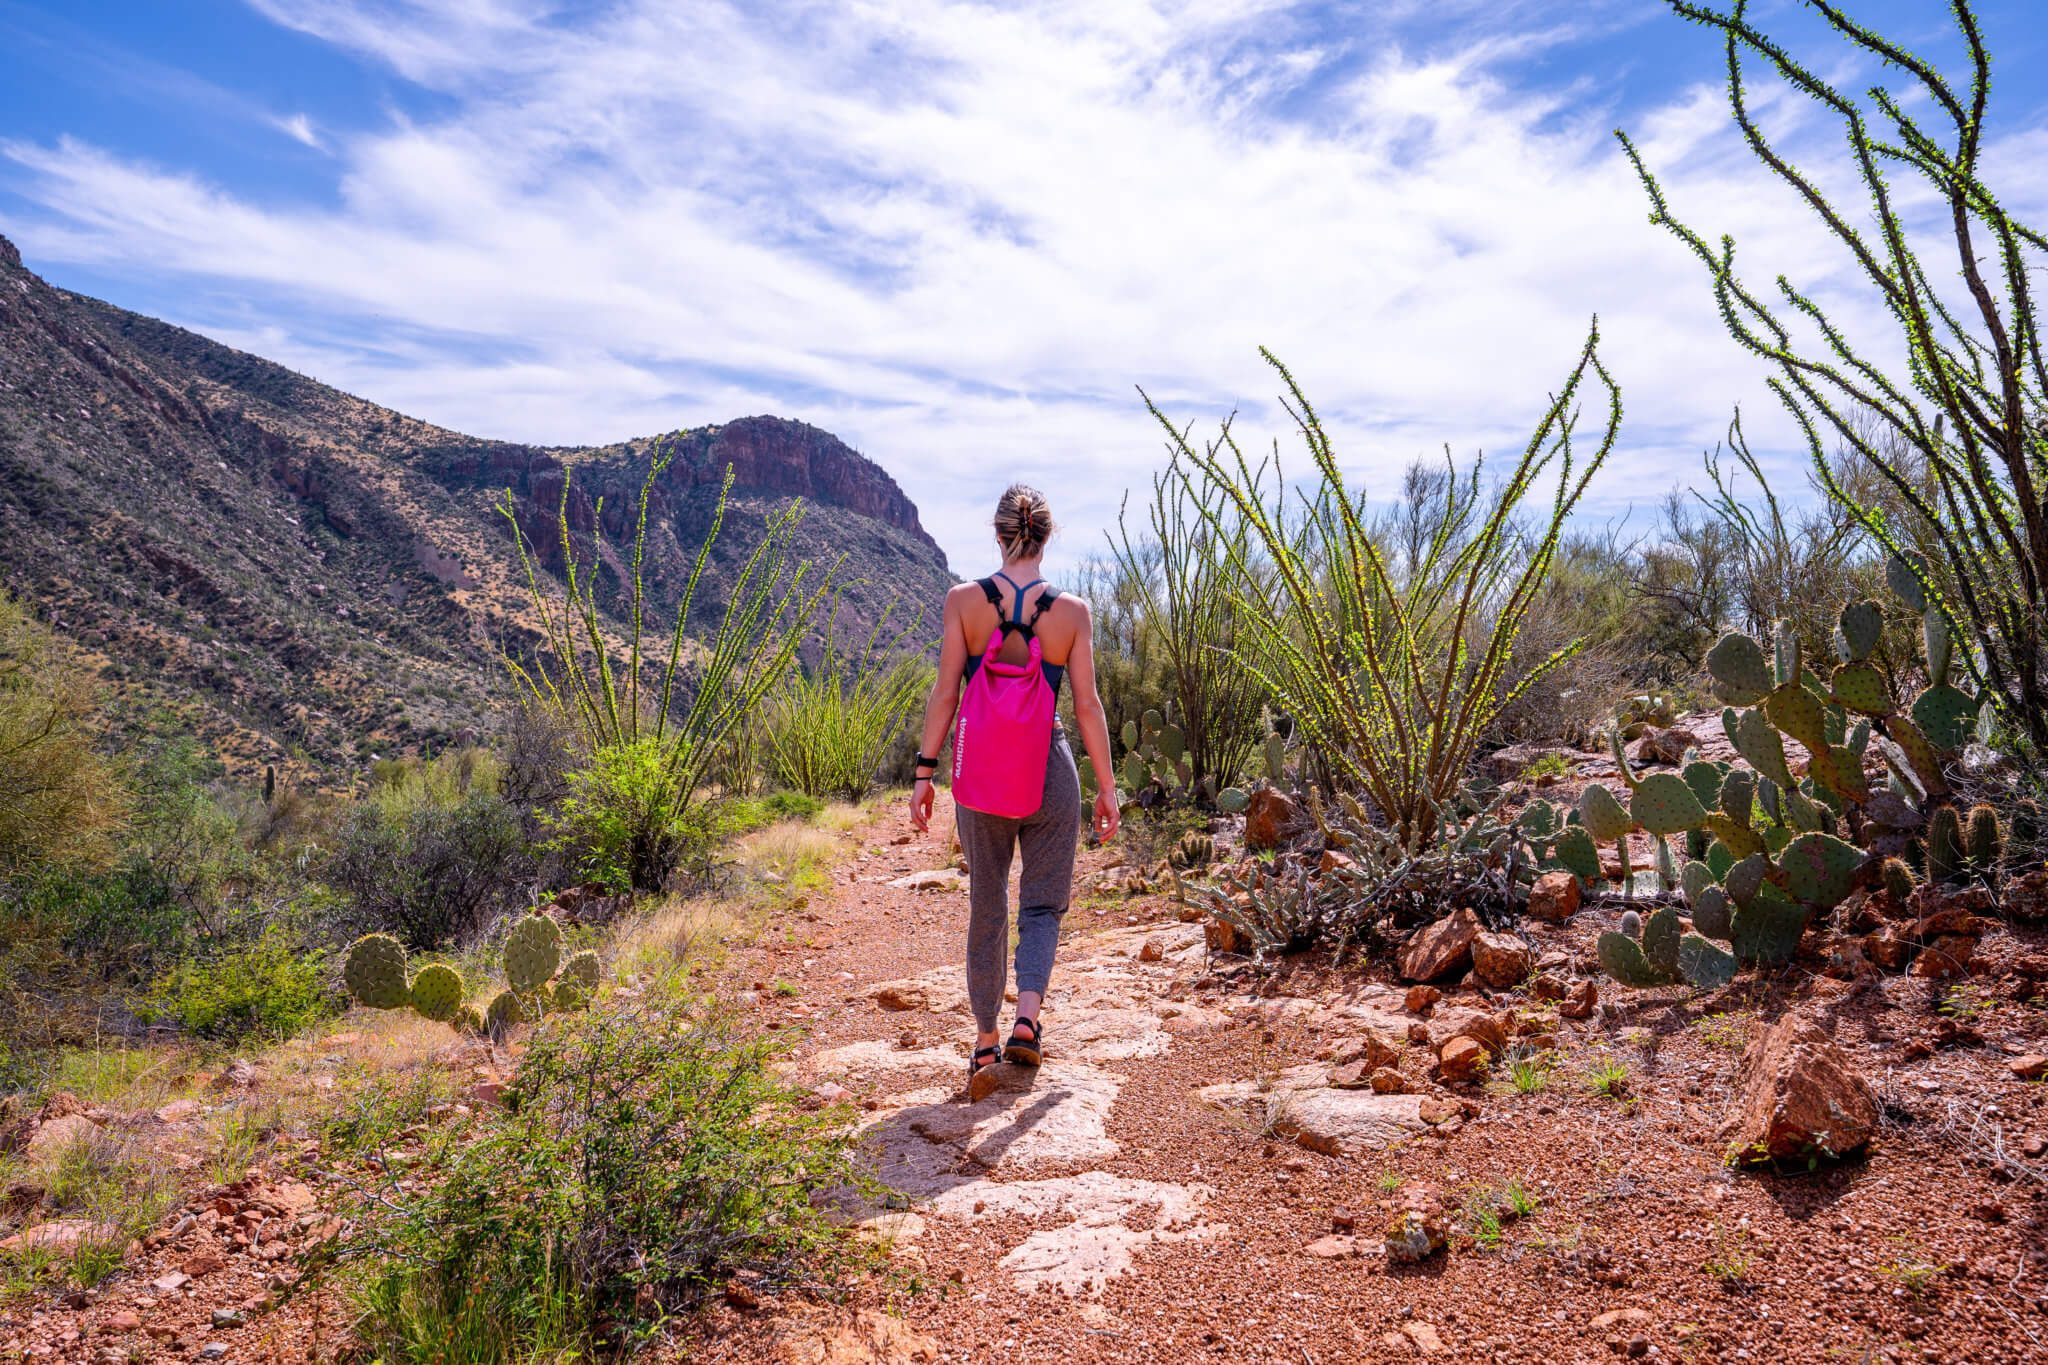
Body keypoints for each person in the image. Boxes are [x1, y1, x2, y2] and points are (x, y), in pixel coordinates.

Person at [908, 484, 1119, 1081]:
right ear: (1046, 538)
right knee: (1044, 903)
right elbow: (1087, 706)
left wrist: (925, 774)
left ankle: (983, 1041)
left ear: (998, 534)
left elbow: (945, 692)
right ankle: (1028, 1018)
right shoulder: (1073, 613)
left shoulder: (962, 603)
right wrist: (1107, 786)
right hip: (1049, 768)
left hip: (981, 773)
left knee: (987, 903)